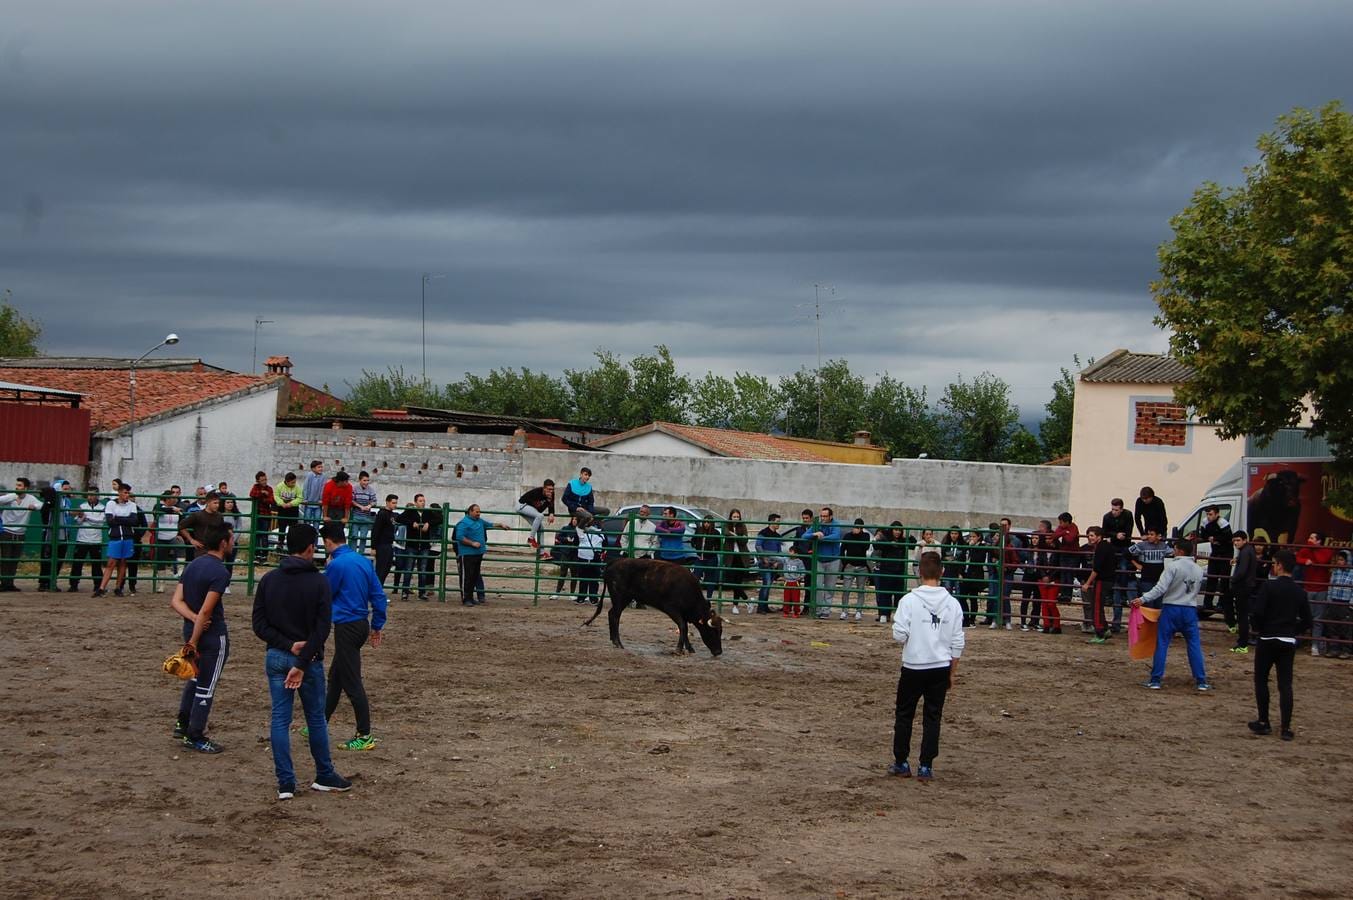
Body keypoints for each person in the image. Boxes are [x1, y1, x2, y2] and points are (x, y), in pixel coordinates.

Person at [251, 522, 352, 797]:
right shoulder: (318, 581)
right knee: (316, 718)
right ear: (310, 548)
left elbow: (258, 624)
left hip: (276, 655)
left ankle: (285, 781)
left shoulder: (270, 579)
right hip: (309, 661)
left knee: (280, 719)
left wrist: (287, 645)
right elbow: (322, 629)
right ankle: (324, 773)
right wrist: (302, 660)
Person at [888, 552, 965, 781]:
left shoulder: (908, 601)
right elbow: (957, 641)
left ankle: (901, 762)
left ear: (919, 573)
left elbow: (899, 635)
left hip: (913, 665)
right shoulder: (952, 604)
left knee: (904, 714)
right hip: (940, 666)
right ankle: (926, 766)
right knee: (933, 716)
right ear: (942, 572)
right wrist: (952, 671)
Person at [320, 522, 388, 751]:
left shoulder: (336, 565)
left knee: (351, 682)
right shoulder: (362, 561)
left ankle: (365, 734)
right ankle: (319, 722)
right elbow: (378, 595)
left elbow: (325, 595)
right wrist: (377, 625)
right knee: (336, 677)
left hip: (346, 626)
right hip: (360, 625)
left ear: (328, 541)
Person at [169, 524, 234, 753]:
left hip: (189, 629)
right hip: (211, 635)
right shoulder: (220, 572)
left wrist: (193, 620)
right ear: (224, 543)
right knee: (207, 685)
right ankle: (195, 735)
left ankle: (182, 723)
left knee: (194, 678)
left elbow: (176, 601)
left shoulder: (194, 564)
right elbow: (207, 611)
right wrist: (195, 639)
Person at [1249, 550, 1314, 741]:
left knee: (1261, 680)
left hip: (1268, 639)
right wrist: (1293, 631)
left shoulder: (1269, 587)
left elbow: (1257, 613)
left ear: (1279, 565)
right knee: (1285, 684)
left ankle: (1264, 721)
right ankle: (1285, 727)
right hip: (1287, 640)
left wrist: (1260, 629)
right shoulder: (1299, 591)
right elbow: (1307, 620)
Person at [1131, 538, 1212, 691]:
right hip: (1189, 609)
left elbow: (1160, 588)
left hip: (1171, 608)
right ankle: (1201, 681)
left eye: (1175, 549)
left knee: (1162, 643)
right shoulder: (1198, 569)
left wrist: (1143, 599)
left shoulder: (1173, 567)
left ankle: (1155, 680)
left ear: (1180, 550)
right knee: (1194, 644)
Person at [453, 503, 508, 606]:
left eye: (479, 512)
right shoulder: (463, 523)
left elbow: (490, 524)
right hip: (467, 553)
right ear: (470, 512)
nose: (479, 513)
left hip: (478, 553)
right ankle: (466, 598)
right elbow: (459, 537)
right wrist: (472, 543)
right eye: (476, 512)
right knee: (467, 577)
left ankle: (470, 597)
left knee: (474, 576)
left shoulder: (480, 521)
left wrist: (500, 524)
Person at [95, 483, 141, 597]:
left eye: (128, 493)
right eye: (125, 492)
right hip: (115, 537)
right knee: (111, 562)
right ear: (119, 492)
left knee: (123, 562)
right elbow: (110, 521)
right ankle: (101, 588)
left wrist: (118, 518)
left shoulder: (132, 505)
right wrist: (126, 519)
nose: (127, 495)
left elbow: (134, 521)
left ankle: (118, 587)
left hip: (127, 537)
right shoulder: (111, 503)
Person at [1295, 532, 1334, 657]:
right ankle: (1298, 641)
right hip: (1308, 587)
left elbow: (1322, 560)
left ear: (1319, 541)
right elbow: (1297, 558)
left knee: (1318, 619)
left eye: (1312, 538)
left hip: (1321, 588)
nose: (1309, 540)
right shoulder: (1307, 549)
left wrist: (1312, 549)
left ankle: (1315, 645)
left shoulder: (1326, 550)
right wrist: (1305, 559)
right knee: (1305, 616)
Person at [0, 477, 43, 590]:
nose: (17, 487)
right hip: (7, 532)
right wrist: (9, 499)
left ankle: (10, 583)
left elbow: (41, 505)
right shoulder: (11, 496)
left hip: (20, 533)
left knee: (14, 559)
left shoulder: (30, 498)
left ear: (26, 488)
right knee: (6, 559)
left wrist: (34, 506)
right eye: (17, 485)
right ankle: (4, 583)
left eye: (19, 485)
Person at [397, 494, 440, 601]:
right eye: (420, 501)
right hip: (412, 545)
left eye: (424, 501)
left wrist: (429, 523)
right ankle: (405, 592)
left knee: (423, 569)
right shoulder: (410, 511)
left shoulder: (428, 512)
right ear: (415, 502)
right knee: (408, 568)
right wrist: (411, 523)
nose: (423, 503)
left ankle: (422, 592)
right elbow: (399, 518)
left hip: (424, 545)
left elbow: (440, 519)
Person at [1102, 498, 1135, 633]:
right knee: (1115, 571)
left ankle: (1118, 587)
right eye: (1113, 509)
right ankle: (1115, 590)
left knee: (1122, 569)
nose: (1114, 512)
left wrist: (1115, 537)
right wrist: (1116, 535)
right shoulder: (1107, 517)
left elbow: (1128, 532)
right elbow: (1104, 531)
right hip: (1114, 547)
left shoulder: (1127, 515)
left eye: (1116, 510)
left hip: (1123, 548)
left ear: (1121, 509)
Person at [1197, 505, 1234, 620]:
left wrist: (1215, 539)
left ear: (1217, 514)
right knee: (1211, 579)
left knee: (1224, 580)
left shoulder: (1223, 523)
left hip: (1225, 554)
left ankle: (1222, 604)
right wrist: (1210, 538)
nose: (1208, 517)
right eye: (1207, 514)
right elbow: (1202, 534)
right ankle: (1207, 603)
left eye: (1211, 514)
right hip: (1215, 553)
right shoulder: (1205, 521)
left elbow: (1228, 537)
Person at [1081, 526, 1116, 643]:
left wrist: (1087, 583)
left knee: (1096, 607)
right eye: (1089, 536)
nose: (1089, 538)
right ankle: (1105, 629)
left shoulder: (1101, 548)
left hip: (1102, 580)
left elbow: (1096, 569)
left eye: (1092, 536)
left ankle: (1099, 632)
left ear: (1099, 536)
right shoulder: (1107, 546)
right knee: (1098, 606)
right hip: (1108, 580)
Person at [68, 487, 106, 593]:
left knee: (96, 565)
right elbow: (78, 521)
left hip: (96, 539)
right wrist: (81, 516)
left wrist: (86, 517)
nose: (90, 497)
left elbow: (100, 522)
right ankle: (73, 585)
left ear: (97, 495)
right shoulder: (82, 506)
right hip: (82, 539)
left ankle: (98, 585)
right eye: (89, 494)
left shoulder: (102, 507)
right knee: (77, 563)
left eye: (93, 494)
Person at [809, 507, 843, 619]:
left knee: (830, 586)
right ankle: (818, 609)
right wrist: (814, 535)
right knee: (818, 586)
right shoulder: (817, 525)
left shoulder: (836, 525)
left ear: (830, 516)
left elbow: (836, 536)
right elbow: (805, 535)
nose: (823, 518)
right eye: (822, 516)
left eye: (825, 516)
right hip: (819, 559)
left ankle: (826, 610)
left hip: (833, 559)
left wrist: (821, 537)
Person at [872, 522, 909, 625]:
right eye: (895, 529)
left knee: (898, 595)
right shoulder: (885, 538)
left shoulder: (903, 540)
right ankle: (884, 614)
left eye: (899, 530)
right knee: (885, 593)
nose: (897, 532)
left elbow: (913, 542)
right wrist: (880, 537)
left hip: (899, 571)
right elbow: (876, 546)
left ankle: (898, 615)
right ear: (891, 530)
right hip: (887, 569)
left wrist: (908, 535)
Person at [1229, 530, 1260, 654]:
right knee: (1243, 615)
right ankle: (1242, 642)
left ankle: (1242, 643)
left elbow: (1241, 571)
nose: (1236, 543)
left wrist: (1233, 580)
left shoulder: (1245, 552)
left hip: (1243, 587)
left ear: (1245, 540)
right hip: (1246, 586)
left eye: (1238, 540)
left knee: (1242, 616)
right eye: (1234, 541)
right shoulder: (1247, 551)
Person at [839, 518, 873, 621]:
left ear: (862, 528)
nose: (856, 529)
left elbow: (865, 547)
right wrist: (845, 562)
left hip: (862, 566)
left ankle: (859, 611)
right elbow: (842, 550)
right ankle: (844, 611)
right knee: (846, 589)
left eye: (859, 527)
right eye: (855, 526)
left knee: (861, 590)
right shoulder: (848, 536)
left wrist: (858, 535)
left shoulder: (866, 536)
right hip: (850, 566)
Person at [1322, 550, 1352, 660]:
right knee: (1332, 626)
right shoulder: (1335, 572)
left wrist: (1351, 603)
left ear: (1347, 561)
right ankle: (1333, 648)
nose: (1339, 562)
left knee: (1346, 627)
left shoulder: (1352, 573)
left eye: (1342, 560)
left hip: (1345, 602)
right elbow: (1330, 585)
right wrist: (1329, 599)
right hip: (1334, 600)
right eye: (1338, 559)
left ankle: (1346, 650)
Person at [722, 509, 752, 613]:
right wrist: (738, 536)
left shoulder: (742, 525)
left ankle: (735, 606)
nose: (736, 518)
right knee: (731, 581)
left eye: (737, 516)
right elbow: (725, 532)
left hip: (740, 556)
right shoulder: (726, 524)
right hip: (730, 557)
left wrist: (734, 535)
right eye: (734, 516)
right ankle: (747, 600)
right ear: (730, 517)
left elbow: (745, 539)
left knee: (738, 581)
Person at [153, 488, 186, 584]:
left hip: (173, 536)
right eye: (172, 497)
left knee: (180, 546)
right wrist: (172, 509)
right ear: (167, 499)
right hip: (161, 537)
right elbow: (160, 510)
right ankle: (161, 583)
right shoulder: (158, 506)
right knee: (161, 560)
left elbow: (181, 522)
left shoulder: (178, 508)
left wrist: (179, 534)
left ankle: (180, 570)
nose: (175, 499)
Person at [573, 509, 605, 605]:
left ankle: (593, 598)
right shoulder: (580, 531)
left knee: (594, 579)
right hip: (583, 556)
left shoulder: (599, 531)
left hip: (595, 557)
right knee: (583, 578)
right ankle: (582, 597)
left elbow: (606, 511)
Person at [754, 513, 784, 614]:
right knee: (766, 584)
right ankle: (761, 607)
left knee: (768, 584)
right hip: (765, 563)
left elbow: (779, 551)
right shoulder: (763, 533)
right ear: (771, 522)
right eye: (777, 522)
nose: (778, 524)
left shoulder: (777, 536)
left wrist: (776, 562)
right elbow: (758, 546)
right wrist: (764, 559)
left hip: (773, 563)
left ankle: (764, 606)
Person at [516, 479, 557, 552]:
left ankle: (542, 553)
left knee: (541, 528)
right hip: (522, 506)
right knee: (540, 516)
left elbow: (551, 505)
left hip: (530, 510)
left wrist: (551, 513)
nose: (550, 491)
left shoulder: (551, 495)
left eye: (552, 489)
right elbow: (537, 508)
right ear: (544, 488)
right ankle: (531, 539)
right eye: (548, 489)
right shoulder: (537, 492)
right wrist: (547, 501)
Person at [1128, 527, 1169, 596]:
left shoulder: (1163, 546)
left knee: (1158, 604)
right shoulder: (1142, 545)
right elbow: (1127, 552)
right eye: (1148, 534)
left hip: (1159, 581)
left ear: (1158, 536)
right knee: (1148, 603)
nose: (1149, 536)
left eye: (1152, 534)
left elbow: (1174, 552)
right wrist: (1136, 564)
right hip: (1146, 580)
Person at [549, 512, 580, 601]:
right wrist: (566, 539)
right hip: (566, 553)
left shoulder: (580, 529)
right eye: (573, 519)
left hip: (575, 554)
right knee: (563, 573)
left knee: (574, 574)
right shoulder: (566, 528)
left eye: (576, 520)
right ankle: (557, 593)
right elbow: (559, 537)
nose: (574, 521)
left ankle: (572, 594)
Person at [371, 494, 401, 585]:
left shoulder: (392, 514)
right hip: (382, 544)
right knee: (381, 568)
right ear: (387, 502)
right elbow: (376, 530)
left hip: (388, 544)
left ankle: (378, 589)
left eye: (396, 503)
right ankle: (376, 590)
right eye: (393, 503)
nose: (395, 505)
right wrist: (373, 547)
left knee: (387, 567)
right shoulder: (382, 514)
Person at [249, 471, 277, 563]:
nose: (264, 481)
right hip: (257, 514)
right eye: (262, 480)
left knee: (265, 535)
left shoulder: (269, 488)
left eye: (265, 479)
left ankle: (264, 556)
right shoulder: (255, 487)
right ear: (258, 481)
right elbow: (252, 494)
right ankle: (256, 555)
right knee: (257, 535)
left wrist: (263, 497)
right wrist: (262, 493)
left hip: (265, 515)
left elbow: (271, 500)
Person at [691, 515, 722, 599]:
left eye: (708, 522)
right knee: (695, 578)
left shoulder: (716, 533)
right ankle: (697, 597)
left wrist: (713, 549)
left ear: (712, 523)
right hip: (700, 558)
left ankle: (709, 598)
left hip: (711, 559)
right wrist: (695, 546)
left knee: (710, 580)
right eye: (705, 522)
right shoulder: (699, 531)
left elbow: (719, 546)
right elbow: (693, 540)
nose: (706, 524)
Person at [348, 471, 377, 554]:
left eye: (367, 480)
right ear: (360, 480)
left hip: (366, 517)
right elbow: (352, 500)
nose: (366, 482)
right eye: (364, 480)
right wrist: (360, 506)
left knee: (363, 537)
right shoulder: (354, 488)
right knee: (354, 536)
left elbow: (374, 501)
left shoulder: (371, 489)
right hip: (356, 515)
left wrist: (369, 506)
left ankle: (360, 554)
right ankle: (353, 553)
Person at [274, 472, 302, 550]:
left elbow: (300, 497)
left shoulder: (297, 487)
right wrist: (281, 503)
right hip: (282, 509)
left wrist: (292, 503)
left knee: (293, 527)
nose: (294, 483)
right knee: (282, 526)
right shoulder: (279, 486)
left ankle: (291, 543)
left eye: (295, 482)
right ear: (287, 481)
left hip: (293, 509)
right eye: (292, 482)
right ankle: (280, 542)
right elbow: (276, 495)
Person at [301, 460, 326, 529]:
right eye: (319, 467)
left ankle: (315, 537)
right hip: (309, 502)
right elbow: (306, 487)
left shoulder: (323, 476)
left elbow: (323, 488)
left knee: (317, 521)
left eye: (321, 467)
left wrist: (321, 499)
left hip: (318, 503)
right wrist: (305, 498)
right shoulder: (310, 475)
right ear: (313, 469)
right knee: (307, 521)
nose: (321, 469)